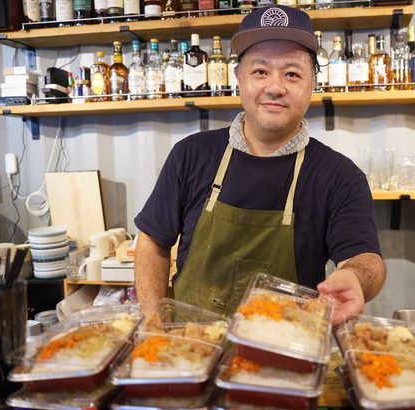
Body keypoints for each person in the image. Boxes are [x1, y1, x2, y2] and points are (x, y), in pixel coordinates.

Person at [134, 5, 385, 325]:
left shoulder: (339, 176)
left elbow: (365, 260)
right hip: (193, 349)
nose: (275, 87)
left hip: (286, 353)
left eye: (292, 73)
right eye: (260, 71)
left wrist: (354, 277)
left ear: (312, 84)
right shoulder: (190, 155)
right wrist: (154, 322)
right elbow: (153, 244)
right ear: (238, 77)